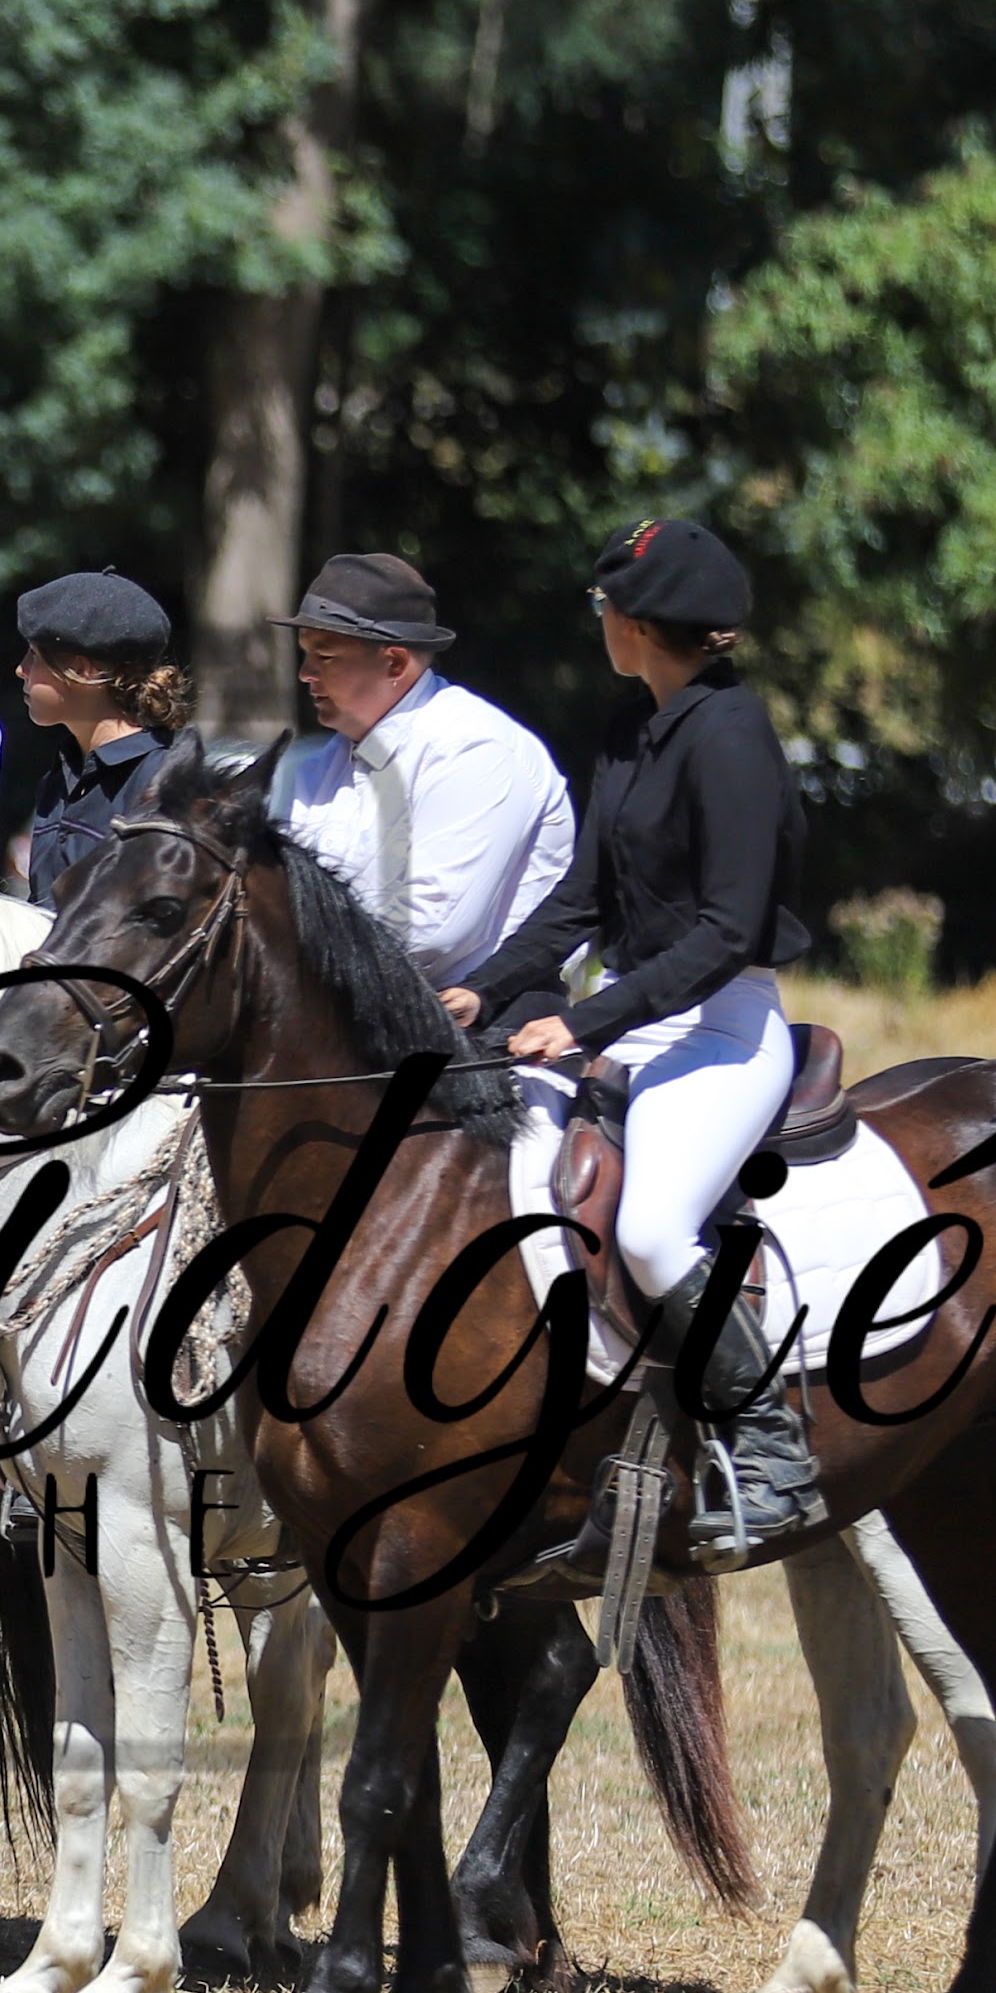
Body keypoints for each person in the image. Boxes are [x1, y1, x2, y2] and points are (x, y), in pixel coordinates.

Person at [447, 516, 824, 1568]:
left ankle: (770, 1447)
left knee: (653, 1232)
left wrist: (583, 1021)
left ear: (642, 624)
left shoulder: (732, 738)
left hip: (720, 1024)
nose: (598, 621)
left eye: (603, 605)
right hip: (628, 1010)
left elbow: (727, 932)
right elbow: (580, 900)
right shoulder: (630, 728)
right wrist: (482, 990)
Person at [263, 551, 574, 990]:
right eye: (305, 654)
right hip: (351, 1013)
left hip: (488, 1022)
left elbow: (429, 931)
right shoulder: (320, 766)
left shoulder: (475, 748)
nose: (305, 674)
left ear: (394, 663)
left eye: (325, 656)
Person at [10, 572, 189, 902]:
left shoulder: (159, 785)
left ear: (82, 670)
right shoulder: (60, 777)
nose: (21, 669)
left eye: (34, 655)